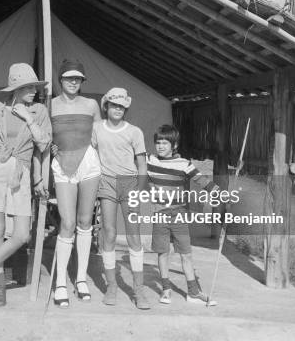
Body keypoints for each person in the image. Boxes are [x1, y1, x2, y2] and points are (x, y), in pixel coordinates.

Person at [0, 63, 51, 307]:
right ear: (15, 89)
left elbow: (44, 143)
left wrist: (28, 118)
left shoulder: (38, 111)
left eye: (35, 87)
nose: (34, 92)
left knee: (21, 234)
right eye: (28, 87)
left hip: (21, 170)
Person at [147, 124, 219, 306]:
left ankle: (193, 292)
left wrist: (220, 193)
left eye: (165, 143)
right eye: (158, 142)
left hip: (179, 214)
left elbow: (202, 181)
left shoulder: (184, 164)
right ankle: (165, 290)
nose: (161, 146)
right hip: (159, 213)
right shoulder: (149, 161)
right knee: (163, 252)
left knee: (186, 253)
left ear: (174, 145)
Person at [92, 88, 150, 310]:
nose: (117, 109)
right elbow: (90, 154)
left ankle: (138, 289)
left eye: (122, 106)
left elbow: (141, 163)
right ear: (106, 106)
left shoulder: (134, 131)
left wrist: (142, 189)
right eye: (114, 105)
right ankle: (112, 286)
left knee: (134, 234)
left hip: (130, 183)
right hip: (106, 182)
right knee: (109, 232)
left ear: (126, 109)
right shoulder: (97, 129)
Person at [50, 60, 101, 308]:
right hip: (62, 164)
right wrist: (50, 149)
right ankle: (61, 282)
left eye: (78, 78)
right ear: (60, 80)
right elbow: (45, 138)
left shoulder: (91, 105)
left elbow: (100, 136)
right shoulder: (51, 105)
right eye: (69, 78)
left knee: (84, 221)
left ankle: (80, 279)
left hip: (89, 163)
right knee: (67, 222)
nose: (73, 82)